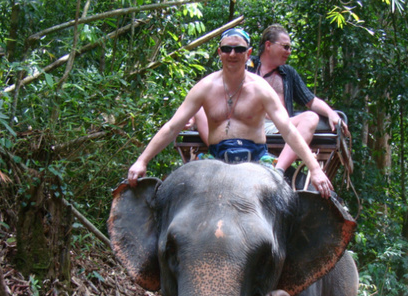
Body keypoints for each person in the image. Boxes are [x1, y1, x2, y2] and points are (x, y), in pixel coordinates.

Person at [126, 28, 333, 197]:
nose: (232, 54)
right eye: (226, 49)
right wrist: (142, 160)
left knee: (286, 207)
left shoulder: (261, 88)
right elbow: (172, 127)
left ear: (248, 53)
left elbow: (287, 129)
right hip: (215, 159)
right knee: (173, 196)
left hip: (256, 160)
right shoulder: (205, 87)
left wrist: (314, 169)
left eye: (238, 49)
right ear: (219, 52)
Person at [248, 24, 351, 173]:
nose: (288, 52)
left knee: (310, 117)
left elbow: (311, 100)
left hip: (277, 126)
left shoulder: (288, 73)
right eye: (285, 47)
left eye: (290, 48)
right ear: (268, 45)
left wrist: (331, 113)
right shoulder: (247, 66)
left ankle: (278, 171)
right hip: (246, 124)